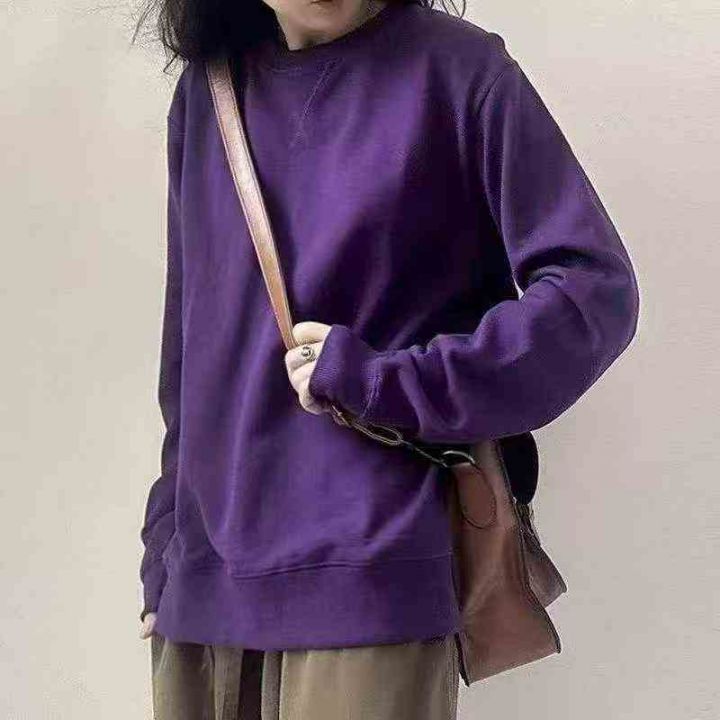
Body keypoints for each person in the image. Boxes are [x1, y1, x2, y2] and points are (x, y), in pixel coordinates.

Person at [134, 0, 640, 717]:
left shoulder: (459, 70)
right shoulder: (207, 91)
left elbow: (593, 295)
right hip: (202, 587)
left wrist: (393, 384)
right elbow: (192, 348)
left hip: (369, 571)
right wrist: (164, 546)